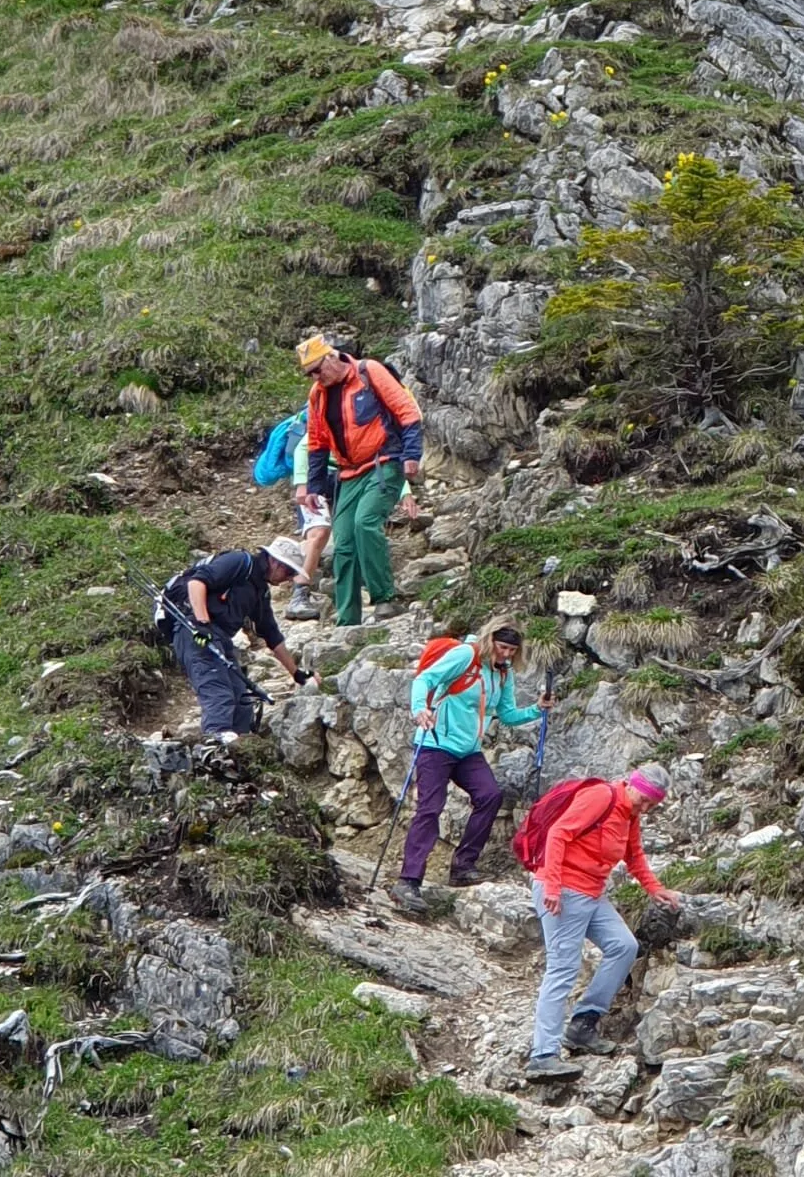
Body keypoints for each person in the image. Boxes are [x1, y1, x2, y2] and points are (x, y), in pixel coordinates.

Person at [526, 764, 682, 1080]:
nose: (646, 807)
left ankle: (584, 1023)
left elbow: (634, 855)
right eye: (645, 798)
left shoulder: (630, 816)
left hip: (591, 893)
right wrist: (553, 887)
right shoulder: (601, 796)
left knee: (624, 946)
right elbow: (558, 833)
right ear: (632, 784)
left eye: (654, 804)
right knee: (563, 968)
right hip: (563, 891)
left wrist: (655, 889)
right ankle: (543, 1054)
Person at [390, 619, 551, 911]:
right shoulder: (466, 655)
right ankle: (408, 881)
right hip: (435, 743)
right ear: (491, 641)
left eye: (512, 650)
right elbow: (424, 679)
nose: (506, 654)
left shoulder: (503, 673)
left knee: (489, 796)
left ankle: (463, 866)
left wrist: (537, 709)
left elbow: (508, 714)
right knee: (430, 808)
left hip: (468, 750)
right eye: (502, 647)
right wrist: (419, 709)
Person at [297, 336, 424, 628]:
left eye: (318, 369)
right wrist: (314, 487)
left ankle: (384, 600)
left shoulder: (369, 371)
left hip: (385, 462)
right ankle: (348, 618)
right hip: (348, 473)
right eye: (310, 374)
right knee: (343, 543)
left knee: (365, 522)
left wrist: (411, 454)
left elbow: (406, 410)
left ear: (331, 357)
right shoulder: (317, 395)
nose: (316, 377)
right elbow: (317, 442)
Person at [167, 538, 318, 742]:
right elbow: (197, 582)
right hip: (193, 630)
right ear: (275, 562)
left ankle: (240, 747)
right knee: (217, 690)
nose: (289, 578)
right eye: (289, 572)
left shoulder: (260, 591)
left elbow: (271, 634)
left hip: (218, 636)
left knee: (242, 698)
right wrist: (201, 623)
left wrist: (297, 674)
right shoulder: (239, 562)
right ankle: (215, 742)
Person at [286, 415, 417, 621]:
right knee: (319, 533)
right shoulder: (337, 411)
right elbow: (306, 446)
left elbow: (388, 455)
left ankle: (360, 595)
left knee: (350, 531)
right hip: (316, 476)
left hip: (346, 477)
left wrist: (404, 491)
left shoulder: (376, 417)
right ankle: (300, 594)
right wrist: (303, 483)